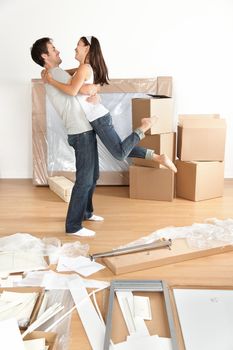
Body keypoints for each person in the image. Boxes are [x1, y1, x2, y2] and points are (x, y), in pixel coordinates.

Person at [41, 36, 177, 172]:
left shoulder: (83, 69)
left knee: (119, 153)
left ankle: (143, 127)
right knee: (119, 149)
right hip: (96, 118)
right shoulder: (82, 68)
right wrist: (47, 72)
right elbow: (73, 77)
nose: (75, 48)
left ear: (87, 48)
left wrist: (52, 81)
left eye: (78, 45)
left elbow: (73, 90)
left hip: (99, 118)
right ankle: (158, 158)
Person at [31, 37, 103, 237]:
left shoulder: (54, 73)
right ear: (45, 56)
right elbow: (80, 88)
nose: (58, 51)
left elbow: (74, 75)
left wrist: (81, 71)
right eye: (53, 49)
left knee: (93, 175)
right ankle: (73, 226)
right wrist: (95, 87)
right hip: (80, 131)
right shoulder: (53, 74)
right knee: (84, 180)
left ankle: (87, 212)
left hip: (83, 129)